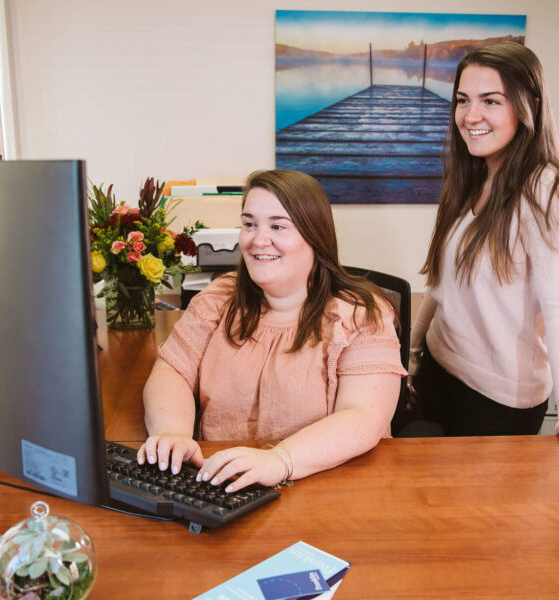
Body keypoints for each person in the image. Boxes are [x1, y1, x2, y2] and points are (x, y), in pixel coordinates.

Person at [409, 42, 559, 459]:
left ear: (529, 106)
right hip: (438, 370)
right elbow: (441, 287)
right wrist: (412, 357)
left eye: (491, 101)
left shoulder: (549, 190)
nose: (471, 116)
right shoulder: (474, 176)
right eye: (463, 101)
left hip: (496, 399)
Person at [138, 169, 406, 491]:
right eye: (249, 224)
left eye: (277, 226)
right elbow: (172, 371)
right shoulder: (218, 299)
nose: (257, 240)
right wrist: (172, 433)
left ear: (314, 236)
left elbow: (364, 416)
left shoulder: (362, 316)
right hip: (221, 482)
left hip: (328, 484)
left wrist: (280, 460)